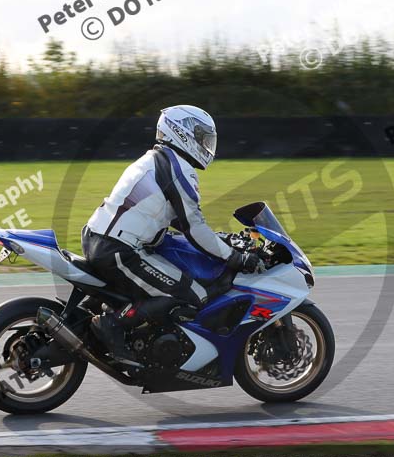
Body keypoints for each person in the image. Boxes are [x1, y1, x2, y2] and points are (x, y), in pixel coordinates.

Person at [82, 105, 262, 362]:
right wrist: (235, 257)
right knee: (192, 294)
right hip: (120, 250)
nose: (205, 144)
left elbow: (175, 218)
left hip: (101, 239)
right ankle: (113, 324)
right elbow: (193, 227)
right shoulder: (178, 168)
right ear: (181, 132)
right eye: (201, 137)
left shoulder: (157, 159)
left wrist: (222, 239)